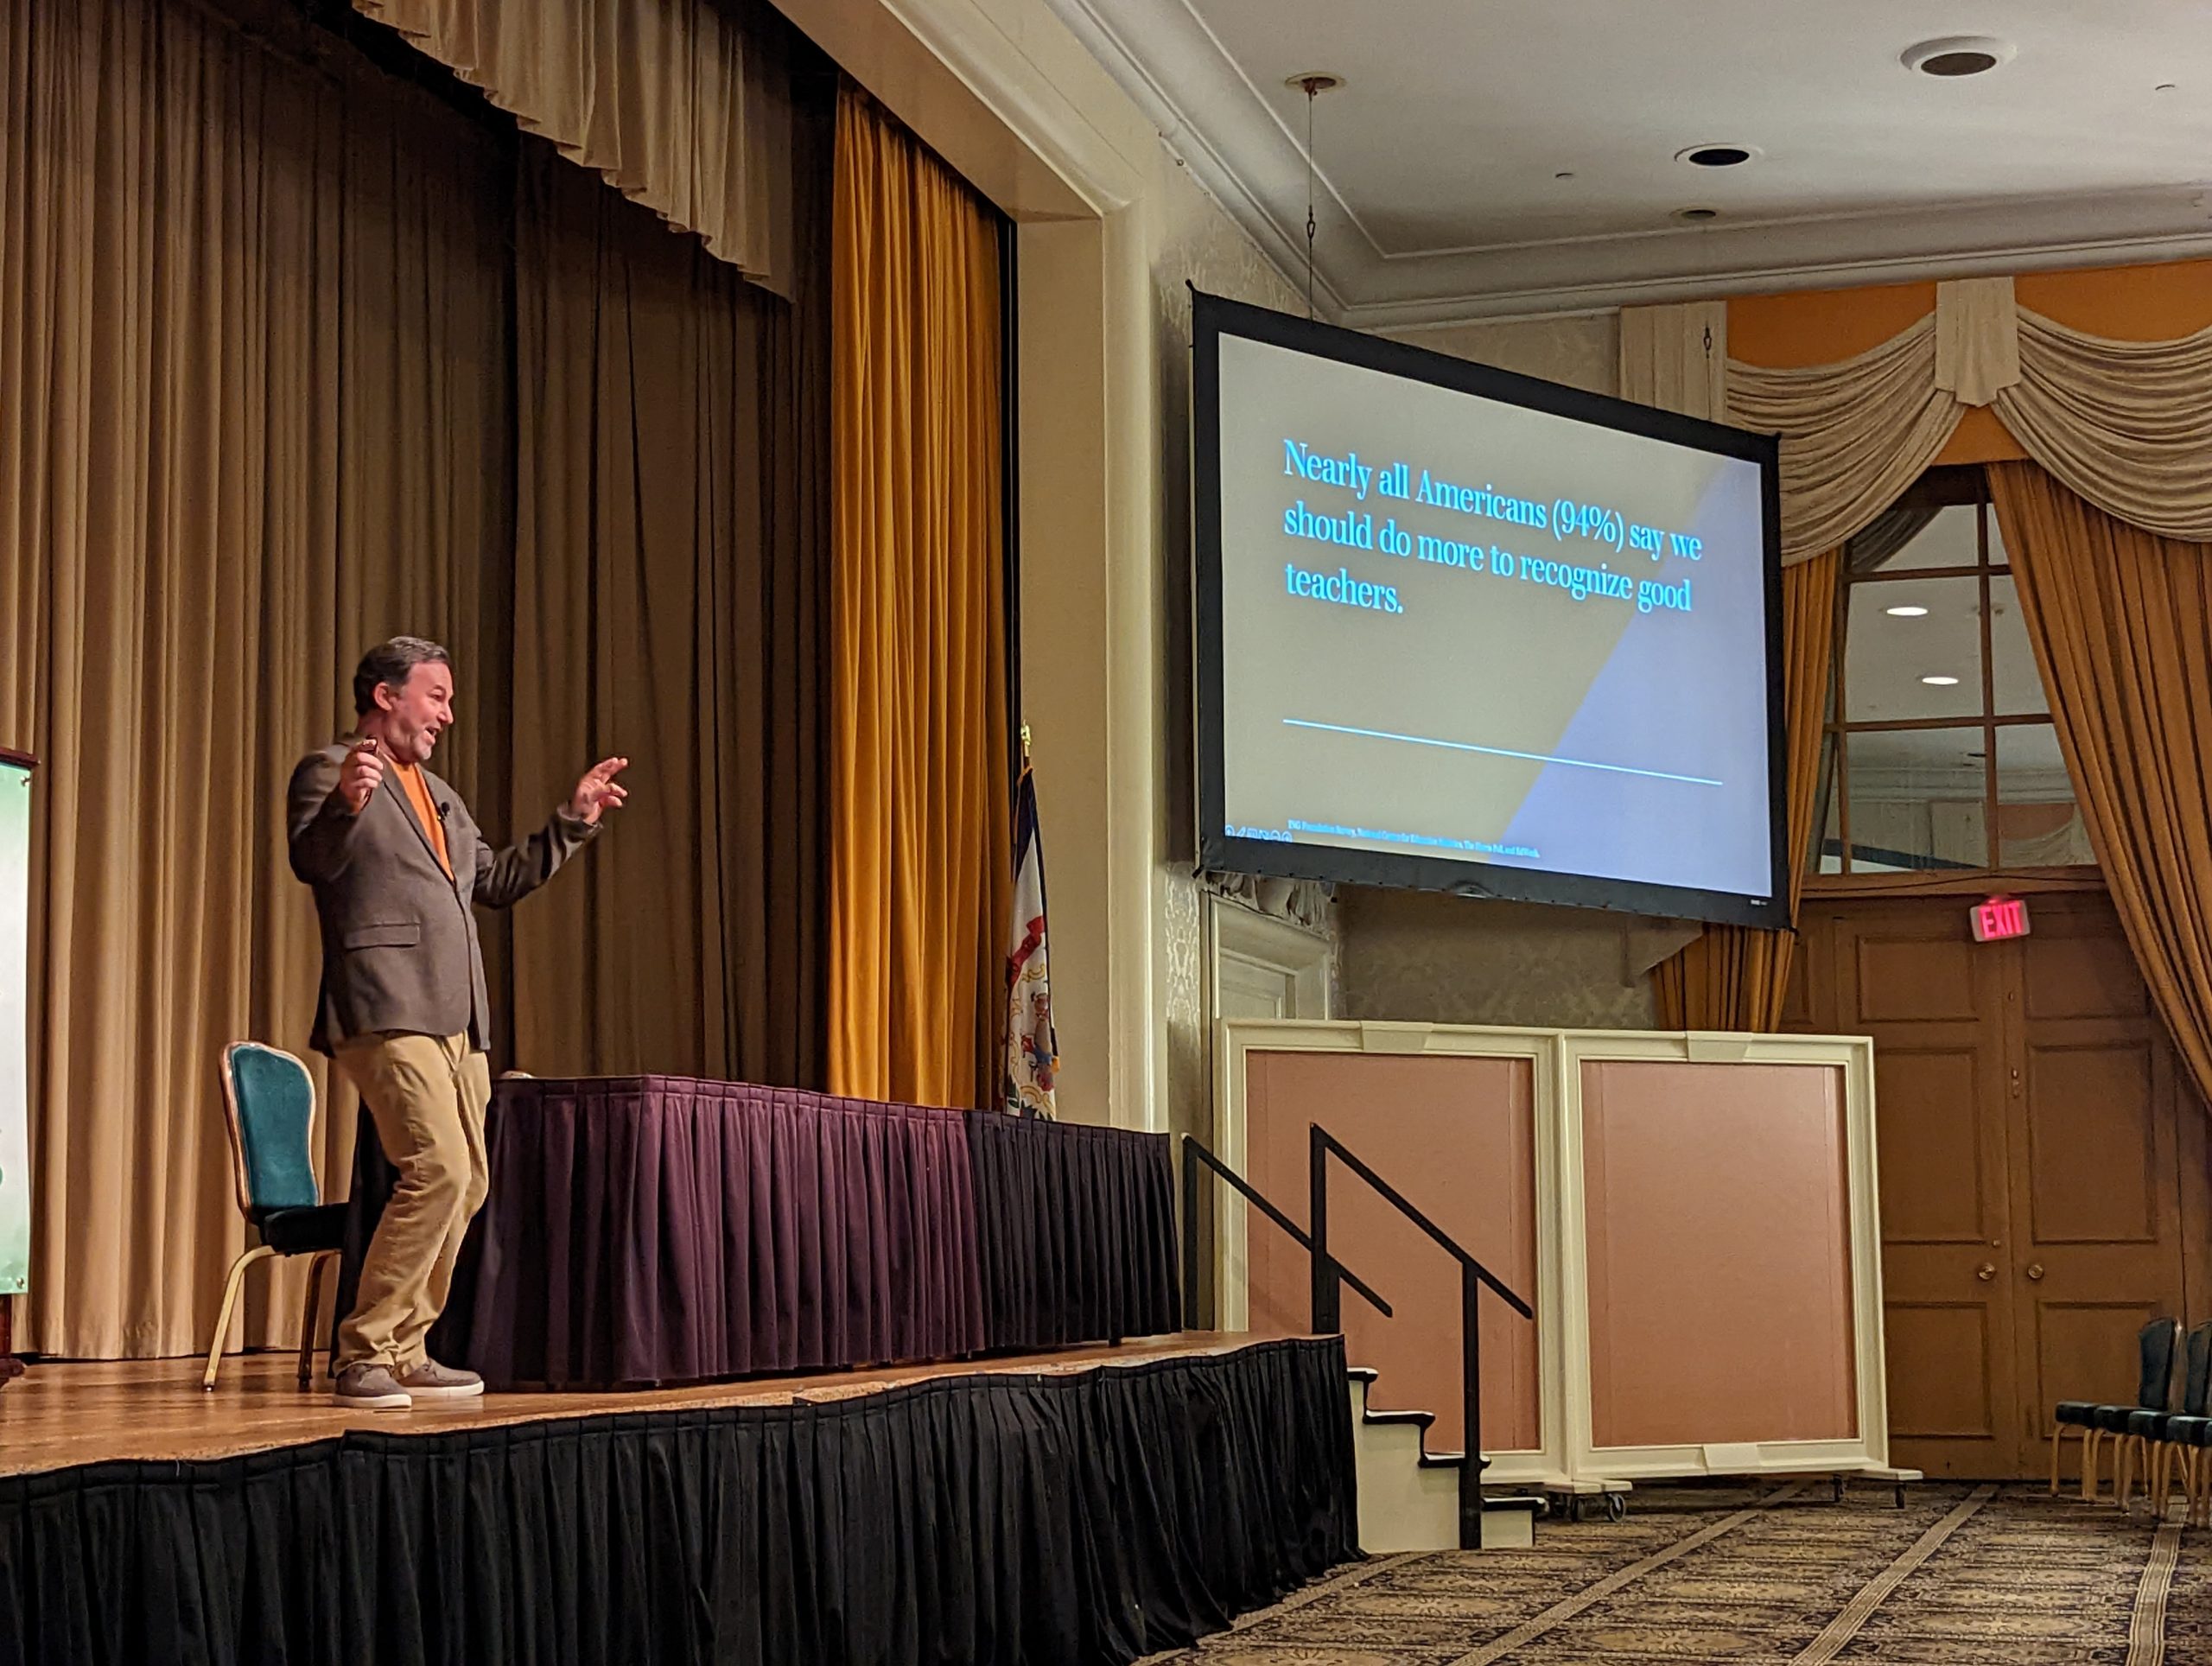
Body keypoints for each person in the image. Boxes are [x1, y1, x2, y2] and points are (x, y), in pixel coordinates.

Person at [287, 637, 628, 1408]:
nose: (446, 715)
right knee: (436, 1167)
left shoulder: (441, 794)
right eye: (435, 696)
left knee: (468, 1181)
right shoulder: (332, 769)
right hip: (385, 1000)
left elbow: (496, 880)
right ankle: (364, 1351)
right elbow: (312, 859)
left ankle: (408, 1348)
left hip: (458, 1013)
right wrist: (345, 804)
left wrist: (573, 821)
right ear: (386, 696)